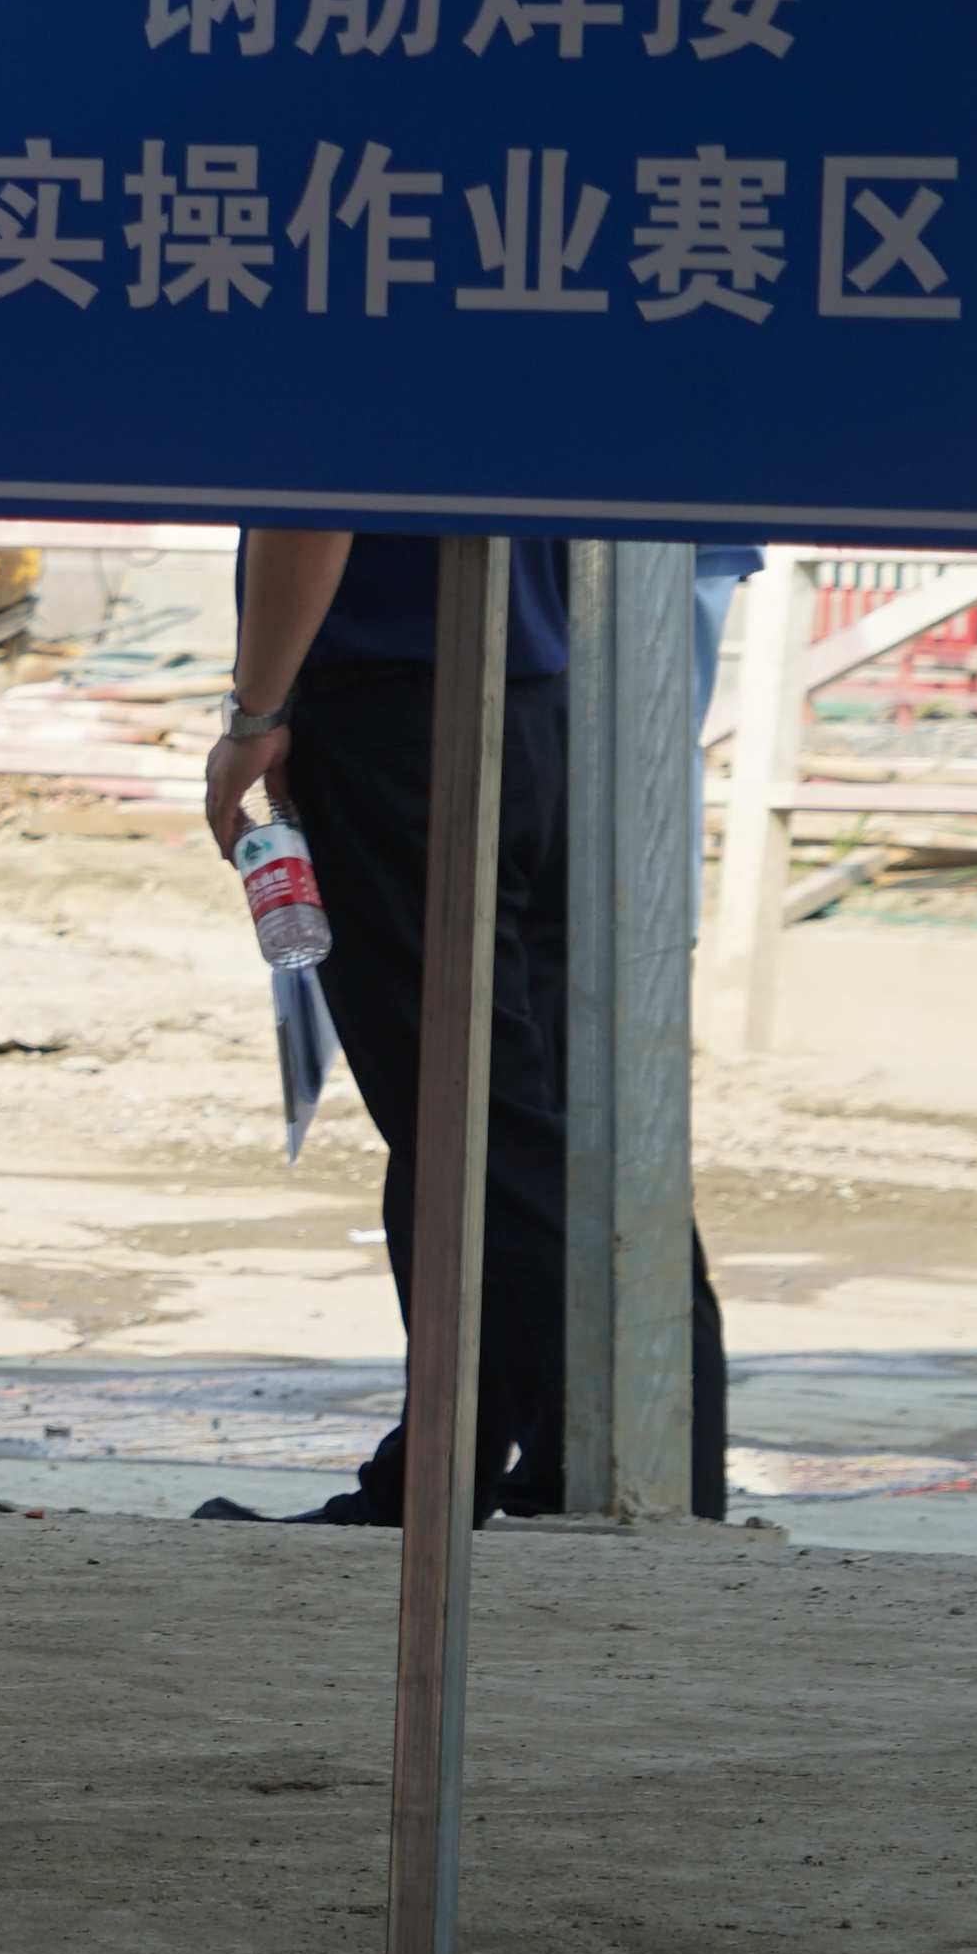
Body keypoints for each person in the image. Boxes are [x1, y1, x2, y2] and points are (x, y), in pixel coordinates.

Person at [200, 532, 728, 1525]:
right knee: (512, 1115)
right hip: (532, 695)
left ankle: (629, 1471)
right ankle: (468, 1471)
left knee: (475, 1122)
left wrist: (257, 711)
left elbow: (315, 499)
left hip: (403, 706)